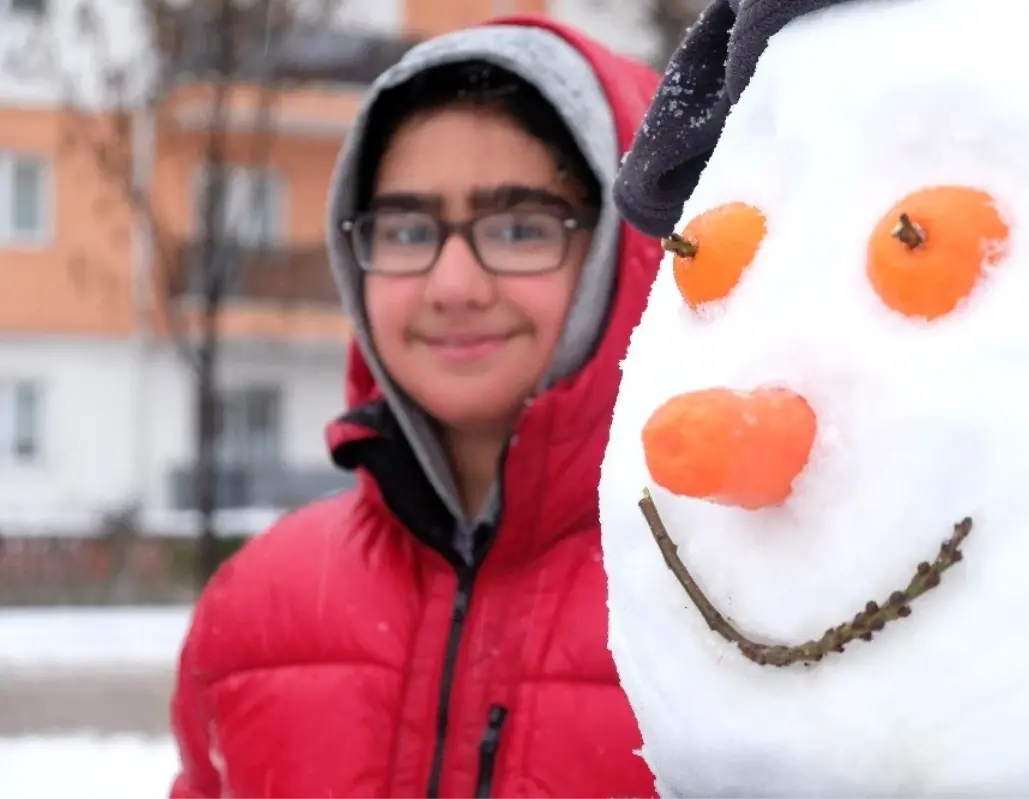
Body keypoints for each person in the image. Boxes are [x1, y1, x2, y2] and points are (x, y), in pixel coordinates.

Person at [167, 15, 663, 799]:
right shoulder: (257, 606)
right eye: (406, 229)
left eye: (520, 226)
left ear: (620, 250)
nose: (453, 284)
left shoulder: (724, 611)